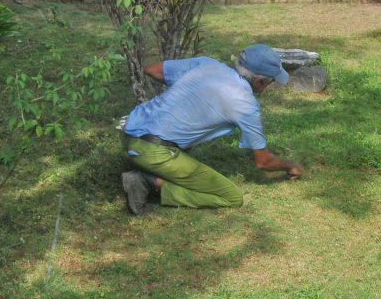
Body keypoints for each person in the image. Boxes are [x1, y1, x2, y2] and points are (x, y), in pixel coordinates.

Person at [120, 44, 304, 215]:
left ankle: (149, 170)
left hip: (129, 132)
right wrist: (290, 166)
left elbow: (152, 69)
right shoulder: (245, 105)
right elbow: (263, 162)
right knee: (230, 196)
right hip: (154, 151)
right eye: (270, 82)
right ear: (258, 82)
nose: (268, 87)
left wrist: (186, 96)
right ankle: (147, 182)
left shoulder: (207, 64)